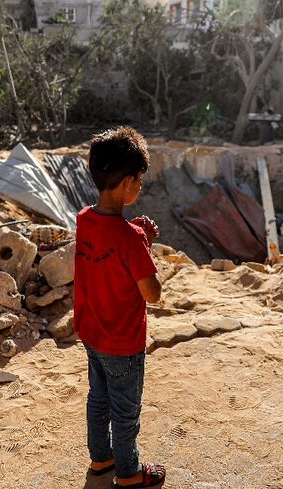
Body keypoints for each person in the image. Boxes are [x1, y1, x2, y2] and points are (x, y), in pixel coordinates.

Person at [74, 126, 166, 488]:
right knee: (125, 413)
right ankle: (128, 474)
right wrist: (144, 242)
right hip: (123, 344)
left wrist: (138, 235)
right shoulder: (131, 239)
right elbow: (152, 294)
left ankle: (101, 460)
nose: (140, 187)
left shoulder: (84, 218)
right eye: (140, 180)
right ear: (128, 183)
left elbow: (108, 247)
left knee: (98, 400)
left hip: (92, 333)